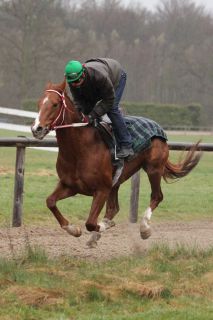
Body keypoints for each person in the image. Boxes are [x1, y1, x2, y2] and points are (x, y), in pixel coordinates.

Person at [64, 58, 134, 159]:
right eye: (73, 82)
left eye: (78, 80)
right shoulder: (73, 81)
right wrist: (79, 113)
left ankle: (126, 145)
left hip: (116, 76)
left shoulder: (100, 77)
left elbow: (109, 100)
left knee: (112, 109)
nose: (76, 84)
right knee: (85, 109)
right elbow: (78, 101)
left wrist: (92, 116)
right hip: (97, 81)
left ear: (83, 73)